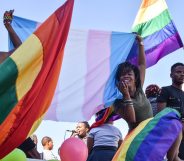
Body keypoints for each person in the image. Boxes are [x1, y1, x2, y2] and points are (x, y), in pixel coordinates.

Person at [113, 34, 182, 160]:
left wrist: (140, 44)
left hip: (151, 129)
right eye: (122, 75)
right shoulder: (117, 102)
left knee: (173, 116)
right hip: (137, 137)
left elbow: (142, 65)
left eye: (129, 74)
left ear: (135, 78)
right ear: (118, 80)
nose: (126, 76)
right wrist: (126, 95)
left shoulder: (139, 90)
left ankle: (174, 157)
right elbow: (132, 121)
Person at [157, 62, 184, 160]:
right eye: (178, 72)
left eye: (183, 72)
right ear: (171, 75)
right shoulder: (165, 90)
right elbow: (161, 114)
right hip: (172, 135)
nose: (182, 74)